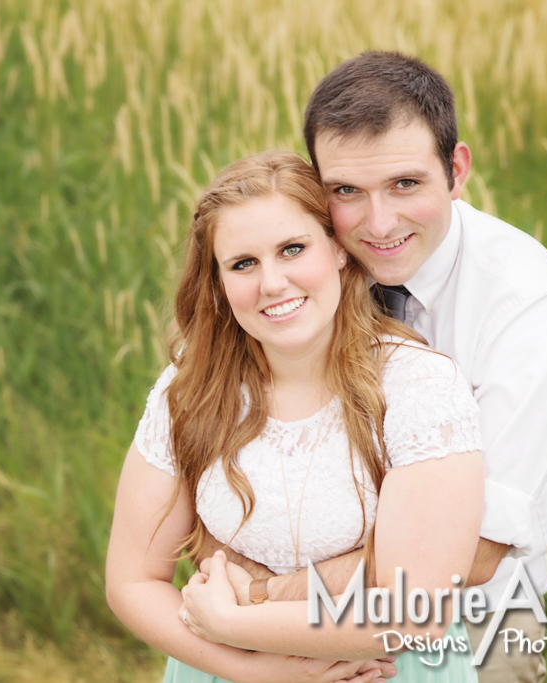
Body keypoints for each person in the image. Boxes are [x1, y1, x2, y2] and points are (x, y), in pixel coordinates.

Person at [202, 52, 547, 683]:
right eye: (346, 191)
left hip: (477, 621)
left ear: (456, 171)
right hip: (285, 619)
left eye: (406, 184)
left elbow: (478, 551)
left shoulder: (523, 299)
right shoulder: (301, 279)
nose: (378, 225)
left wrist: (263, 598)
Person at [106, 151, 484, 683]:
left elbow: (414, 613)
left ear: (338, 251)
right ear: (216, 282)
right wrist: (255, 669)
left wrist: (233, 621)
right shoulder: (191, 388)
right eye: (243, 264)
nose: (273, 283)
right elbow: (132, 581)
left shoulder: (417, 387)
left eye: (292, 249)